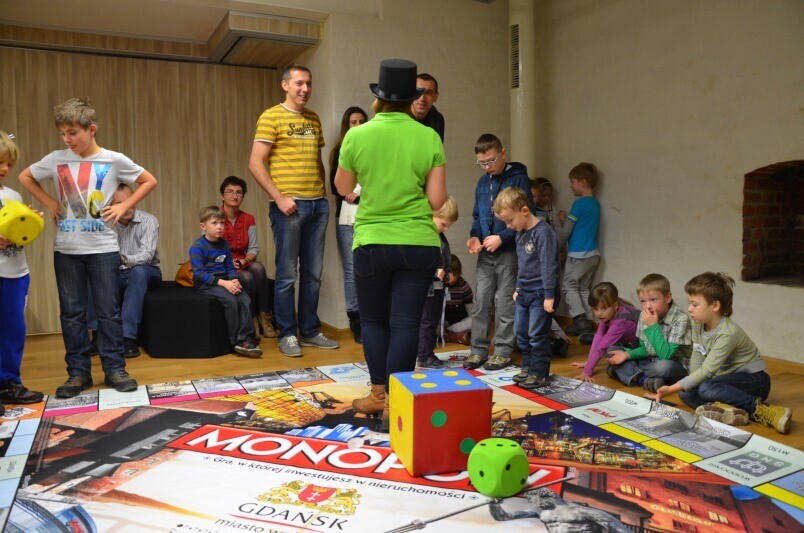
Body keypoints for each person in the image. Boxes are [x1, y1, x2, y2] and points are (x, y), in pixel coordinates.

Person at [19, 98, 157, 398]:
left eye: (72, 133)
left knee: (109, 312)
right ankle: (78, 373)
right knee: (72, 314)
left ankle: (115, 369)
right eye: (62, 134)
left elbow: (148, 181)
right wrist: (50, 202)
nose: (67, 140)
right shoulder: (56, 159)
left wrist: (123, 206)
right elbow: (25, 176)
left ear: (91, 129)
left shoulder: (113, 159)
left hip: (103, 249)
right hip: (67, 250)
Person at [334, 58, 446, 428]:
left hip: (372, 242)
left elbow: (343, 187)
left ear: (379, 97)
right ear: (412, 97)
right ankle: (396, 404)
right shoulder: (429, 136)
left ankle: (378, 396)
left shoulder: (357, 135)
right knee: (406, 324)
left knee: (373, 321)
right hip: (418, 243)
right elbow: (436, 200)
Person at [248, 65, 338, 357]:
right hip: (288, 207)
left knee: (313, 274)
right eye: (299, 83)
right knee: (287, 275)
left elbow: (317, 160)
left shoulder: (313, 118)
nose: (305, 89)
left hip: (317, 205)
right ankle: (287, 334)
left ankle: (309, 331)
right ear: (285, 85)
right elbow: (255, 163)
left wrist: (323, 194)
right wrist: (279, 197)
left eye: (309, 83)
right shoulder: (271, 116)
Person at [647, 272, 793, 434]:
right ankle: (727, 411)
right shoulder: (698, 324)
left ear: (715, 306)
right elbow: (697, 357)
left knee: (705, 388)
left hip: (756, 382)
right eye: (689, 303)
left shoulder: (728, 332)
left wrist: (671, 388)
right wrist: (687, 386)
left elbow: (707, 371)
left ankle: (762, 410)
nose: (689, 309)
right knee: (685, 392)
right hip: (726, 381)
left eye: (694, 304)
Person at [465, 133, 534, 371]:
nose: (487, 167)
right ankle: (478, 350)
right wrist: (475, 236)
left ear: (503, 153)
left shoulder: (519, 179)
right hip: (486, 252)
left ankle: (502, 351)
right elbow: (477, 216)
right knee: (481, 301)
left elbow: (525, 217)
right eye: (482, 163)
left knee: (505, 302)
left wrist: (501, 237)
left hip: (509, 252)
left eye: (491, 161)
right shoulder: (482, 183)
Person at [494, 187, 559, 389]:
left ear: (524, 210)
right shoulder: (519, 233)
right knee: (521, 332)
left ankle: (539, 373)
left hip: (541, 292)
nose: (509, 226)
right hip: (524, 291)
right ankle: (528, 368)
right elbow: (522, 264)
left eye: (510, 221)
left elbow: (548, 265)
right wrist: (518, 287)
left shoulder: (543, 232)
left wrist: (549, 295)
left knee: (536, 334)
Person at [87, 183, 161, 358]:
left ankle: (127, 338)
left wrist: (123, 259)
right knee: (90, 272)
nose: (126, 206)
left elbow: (147, 256)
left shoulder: (149, 221)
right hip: (115, 273)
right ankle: (97, 335)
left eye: (129, 200)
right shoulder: (104, 223)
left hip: (147, 271)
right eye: (120, 203)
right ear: (110, 205)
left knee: (138, 271)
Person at [0, 131, 45, 409]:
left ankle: (8, 384)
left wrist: (30, 222)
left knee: (13, 331)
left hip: (15, 273)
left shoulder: (13, 195)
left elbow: (21, 234)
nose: (5, 169)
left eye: (9, 163)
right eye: (0, 162)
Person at [189, 206, 262, 358]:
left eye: (222, 223)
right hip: (206, 284)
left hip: (225, 280)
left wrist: (234, 280)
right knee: (231, 301)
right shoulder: (197, 247)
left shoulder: (224, 244)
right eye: (214, 223)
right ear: (203, 226)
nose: (219, 227)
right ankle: (237, 341)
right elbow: (200, 274)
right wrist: (224, 283)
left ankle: (247, 339)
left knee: (245, 299)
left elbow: (230, 267)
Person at [605, 273, 690, 393]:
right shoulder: (644, 315)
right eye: (643, 301)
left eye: (653, 300)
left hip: (673, 366)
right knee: (612, 351)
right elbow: (645, 350)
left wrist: (653, 326)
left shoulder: (681, 319)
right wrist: (627, 355)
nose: (648, 306)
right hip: (650, 361)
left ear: (668, 297)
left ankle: (625, 372)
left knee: (662, 366)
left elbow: (666, 356)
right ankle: (643, 380)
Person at [329, 107, 369, 344]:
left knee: (372, 268)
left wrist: (359, 191)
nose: (358, 125)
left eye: (362, 121)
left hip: (371, 214)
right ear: (347, 125)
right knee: (352, 270)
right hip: (346, 216)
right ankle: (356, 320)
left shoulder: (373, 147)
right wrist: (351, 192)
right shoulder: (340, 151)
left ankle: (373, 318)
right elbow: (336, 188)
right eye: (353, 122)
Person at [219, 175, 276, 340]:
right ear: (222, 196)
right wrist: (230, 263)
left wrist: (244, 260)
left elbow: (253, 248)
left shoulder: (248, 218)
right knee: (247, 277)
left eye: (239, 192)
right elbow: (210, 247)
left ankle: (264, 316)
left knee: (258, 268)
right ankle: (251, 319)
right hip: (222, 264)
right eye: (230, 191)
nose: (234, 195)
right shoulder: (214, 217)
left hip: (242, 260)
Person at [557, 163, 601, 337]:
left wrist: (557, 248)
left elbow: (567, 230)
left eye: (573, 181)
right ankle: (589, 321)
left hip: (578, 254)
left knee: (569, 285)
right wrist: (564, 219)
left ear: (583, 182)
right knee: (583, 287)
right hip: (593, 254)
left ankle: (579, 320)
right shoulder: (594, 204)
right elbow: (581, 226)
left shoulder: (579, 204)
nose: (571, 185)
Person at [416, 196, 458, 369]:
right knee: (426, 322)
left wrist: (445, 272)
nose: (446, 229)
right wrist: (435, 271)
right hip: (428, 289)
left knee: (431, 321)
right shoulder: (423, 236)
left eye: (449, 226)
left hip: (438, 288)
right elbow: (418, 262)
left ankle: (425, 352)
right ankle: (424, 355)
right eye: (443, 224)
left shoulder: (439, 236)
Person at [570, 282, 639, 382]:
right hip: (627, 342)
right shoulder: (609, 312)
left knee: (609, 350)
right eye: (595, 309)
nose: (599, 313)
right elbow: (599, 335)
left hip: (640, 347)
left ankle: (634, 373)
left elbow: (601, 348)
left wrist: (586, 372)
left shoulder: (621, 322)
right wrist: (589, 362)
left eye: (603, 308)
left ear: (615, 305)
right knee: (608, 345)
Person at [443, 255, 473, 345]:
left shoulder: (464, 286)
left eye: (455, 274)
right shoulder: (438, 285)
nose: (452, 278)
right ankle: (454, 336)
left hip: (459, 323)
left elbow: (470, 309)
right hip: (443, 322)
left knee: (475, 321)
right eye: (448, 274)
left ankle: (446, 334)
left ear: (459, 273)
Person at [411, 73, 444, 141]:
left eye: (428, 93)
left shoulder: (438, 119)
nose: (422, 98)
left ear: (435, 97)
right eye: (418, 91)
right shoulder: (399, 115)